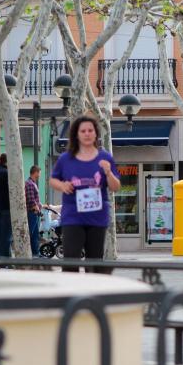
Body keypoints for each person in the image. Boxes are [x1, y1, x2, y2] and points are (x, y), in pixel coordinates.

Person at [50, 116, 121, 273]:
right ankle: (71, 296)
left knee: (95, 264)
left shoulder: (105, 158)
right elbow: (53, 180)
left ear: (96, 134)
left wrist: (108, 173)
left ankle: (94, 295)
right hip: (72, 217)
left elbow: (116, 187)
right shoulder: (65, 159)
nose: (87, 134)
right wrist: (62, 185)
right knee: (70, 262)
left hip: (97, 218)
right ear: (76, 134)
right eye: (83, 131)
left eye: (90, 130)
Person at [25, 165, 44, 257]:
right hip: (32, 213)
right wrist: (38, 209)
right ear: (35, 172)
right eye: (39, 172)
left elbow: (35, 200)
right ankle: (31, 253)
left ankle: (36, 253)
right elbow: (31, 200)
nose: (40, 175)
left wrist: (41, 206)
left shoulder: (32, 183)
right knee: (31, 234)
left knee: (35, 235)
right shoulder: (29, 183)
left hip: (35, 213)